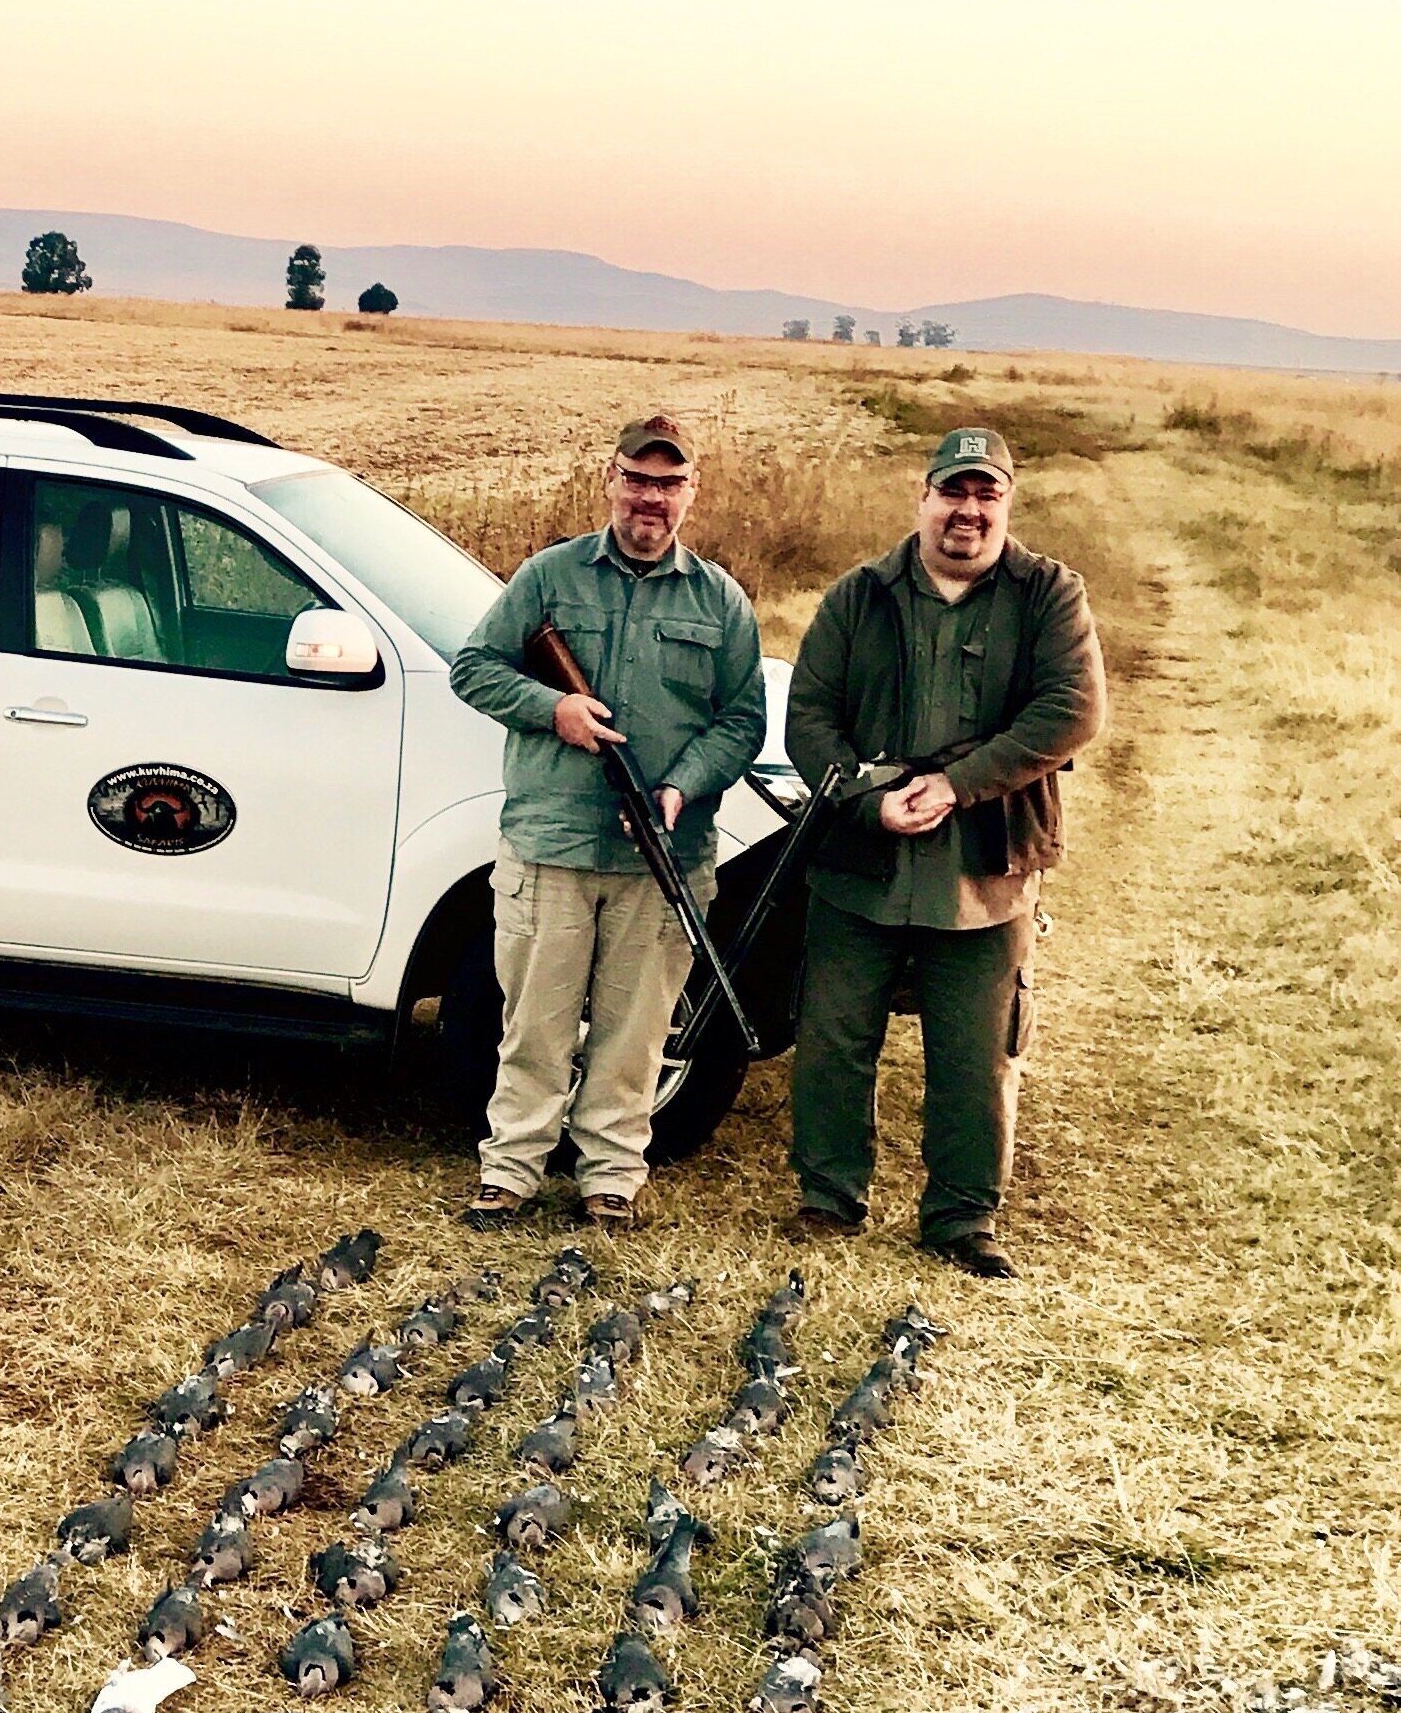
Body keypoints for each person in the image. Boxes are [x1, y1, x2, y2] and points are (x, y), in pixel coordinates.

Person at [785, 424, 1106, 1281]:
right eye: (952, 492)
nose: (967, 511)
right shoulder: (859, 595)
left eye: (985, 494)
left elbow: (1071, 710)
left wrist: (960, 784)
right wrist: (870, 800)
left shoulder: (1048, 594)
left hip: (987, 867)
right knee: (834, 1034)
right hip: (862, 858)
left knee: (977, 1046)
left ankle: (963, 1216)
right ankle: (827, 1196)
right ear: (923, 497)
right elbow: (810, 716)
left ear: (1007, 502)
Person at [449, 413, 766, 1232]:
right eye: (637, 478)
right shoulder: (549, 577)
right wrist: (553, 708)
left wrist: (680, 788)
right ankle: (511, 1169)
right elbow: (474, 669)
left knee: (636, 1032)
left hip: (664, 853)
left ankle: (612, 1177)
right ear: (610, 480)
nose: (650, 498)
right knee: (535, 1024)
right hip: (551, 845)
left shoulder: (721, 600)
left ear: (690, 493)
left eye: (668, 483)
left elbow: (742, 722)